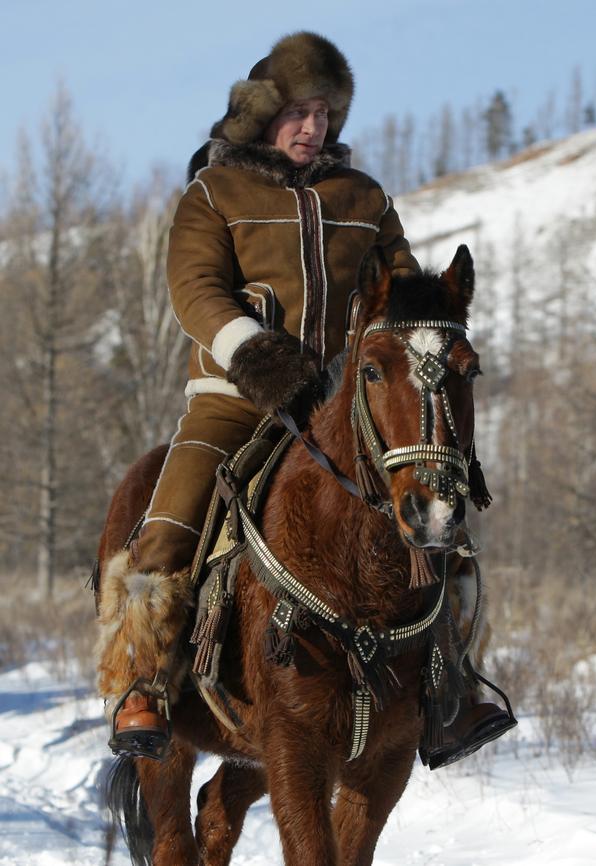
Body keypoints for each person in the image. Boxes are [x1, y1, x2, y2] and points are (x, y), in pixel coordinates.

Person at [96, 31, 512, 763]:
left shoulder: (364, 198)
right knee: (168, 524)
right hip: (233, 398)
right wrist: (254, 355)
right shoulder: (214, 193)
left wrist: (421, 340)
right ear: (261, 114)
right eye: (297, 112)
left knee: (445, 526)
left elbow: (403, 290)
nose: (313, 127)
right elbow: (194, 291)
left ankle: (452, 688)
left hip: (345, 403)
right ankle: (143, 685)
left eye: (323, 113)